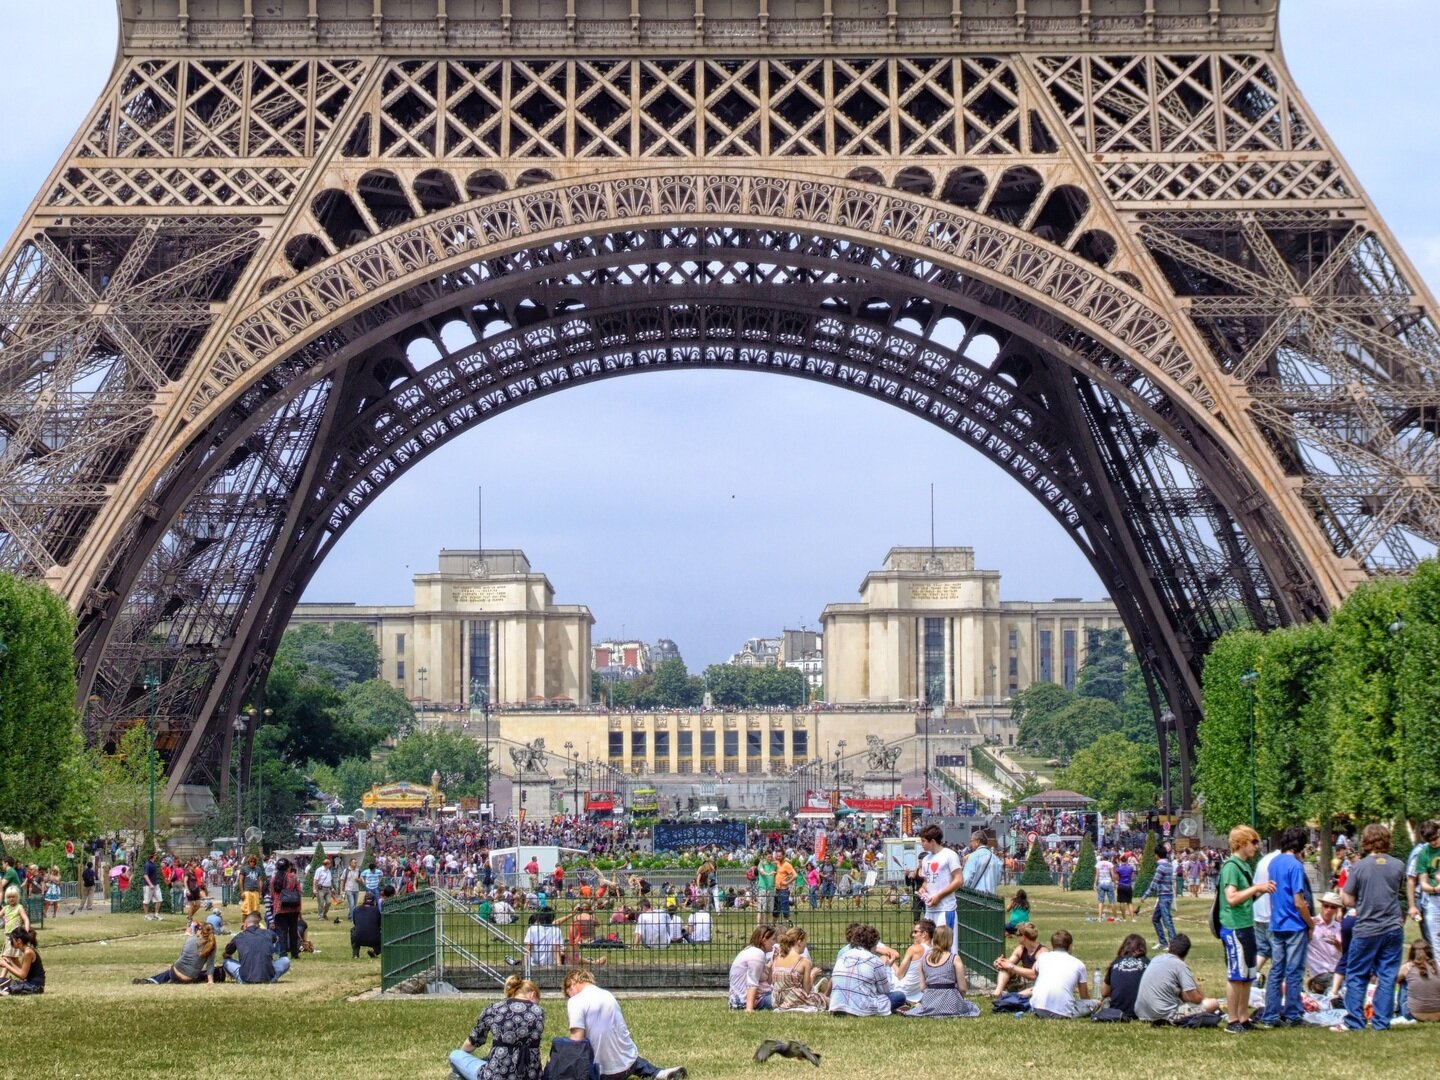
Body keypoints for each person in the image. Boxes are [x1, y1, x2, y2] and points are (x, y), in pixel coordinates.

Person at [1336, 822, 1406, 1032]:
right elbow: (1396, 891)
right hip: (1392, 926)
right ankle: (1381, 1022)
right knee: (1387, 975)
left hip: (1367, 927)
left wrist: (1361, 901)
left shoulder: (1359, 866)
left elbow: (1347, 899)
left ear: (1366, 842)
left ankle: (1355, 1021)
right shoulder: (1398, 865)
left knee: (1357, 974)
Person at [563, 968, 686, 1080]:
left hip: (601, 1073)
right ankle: (659, 1073)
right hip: (629, 1064)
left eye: (568, 992)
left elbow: (576, 1041)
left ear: (573, 981)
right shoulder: (607, 995)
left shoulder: (575, 1001)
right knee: (632, 1058)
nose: (569, 996)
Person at [1256, 826, 1315, 1028]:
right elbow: (1298, 900)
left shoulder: (1274, 863)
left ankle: (1270, 1015)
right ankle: (1293, 1013)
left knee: (1276, 970)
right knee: (1294, 970)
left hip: (1276, 922)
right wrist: (1310, 922)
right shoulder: (1295, 866)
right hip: (1294, 923)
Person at [1217, 824, 1273, 1034]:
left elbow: (1246, 896)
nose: (1256, 847)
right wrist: (1256, 888)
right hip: (1234, 926)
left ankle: (1243, 1016)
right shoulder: (1231, 866)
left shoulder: (1245, 866)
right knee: (1236, 974)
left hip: (1247, 924)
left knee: (1249, 974)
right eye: (1253, 842)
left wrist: (1262, 890)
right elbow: (1231, 897)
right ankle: (1232, 1020)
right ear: (1242, 843)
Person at [449, 975, 545, 1080]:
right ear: (533, 994)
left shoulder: (494, 1009)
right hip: (530, 1075)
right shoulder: (539, 1012)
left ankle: (459, 1075)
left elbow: (473, 1042)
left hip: (496, 1075)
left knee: (455, 1055)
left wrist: (462, 1054)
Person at [1134, 934, 1221, 1025]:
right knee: (1212, 1003)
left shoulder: (1156, 958)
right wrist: (1204, 998)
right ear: (1187, 952)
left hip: (1142, 1013)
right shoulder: (1180, 965)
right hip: (1165, 1016)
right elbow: (1195, 999)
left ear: (1169, 946)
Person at [829, 924, 906, 1016]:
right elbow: (885, 990)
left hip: (836, 1004)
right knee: (899, 996)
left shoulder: (843, 956)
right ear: (873, 944)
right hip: (860, 1008)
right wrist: (887, 967)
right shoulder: (874, 960)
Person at [904, 925, 979, 1018]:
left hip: (930, 1002)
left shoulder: (923, 960)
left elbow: (923, 988)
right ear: (949, 940)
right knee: (972, 1007)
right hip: (951, 1002)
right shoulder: (954, 958)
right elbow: (963, 988)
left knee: (918, 1007)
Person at [1029, 929, 1097, 1019]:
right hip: (1063, 1013)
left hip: (1037, 1009)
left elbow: (1036, 974)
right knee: (1096, 1002)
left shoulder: (1042, 957)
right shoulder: (1078, 964)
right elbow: (1084, 997)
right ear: (1070, 946)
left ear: (1052, 945)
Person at [917, 824, 963, 951]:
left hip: (945, 908)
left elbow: (958, 880)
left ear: (932, 841)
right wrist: (923, 888)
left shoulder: (949, 855)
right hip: (930, 909)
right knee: (928, 946)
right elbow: (927, 881)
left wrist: (939, 895)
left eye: (923, 841)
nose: (922, 844)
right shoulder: (926, 859)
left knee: (946, 946)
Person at [136, 921, 216, 985]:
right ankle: (154, 980)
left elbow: (182, 956)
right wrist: (210, 981)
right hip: (189, 979)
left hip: (174, 972)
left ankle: (152, 980)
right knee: (202, 974)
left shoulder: (190, 939)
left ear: (200, 931)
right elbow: (210, 965)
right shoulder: (211, 945)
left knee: (169, 972)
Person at [222, 912, 291, 983]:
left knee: (226, 962)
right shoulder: (268, 933)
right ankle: (271, 976)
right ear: (259, 925)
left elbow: (227, 952)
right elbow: (276, 939)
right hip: (269, 978)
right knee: (286, 960)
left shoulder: (239, 937)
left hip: (245, 979)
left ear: (245, 925)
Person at [772, 927, 826, 1012]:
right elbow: (807, 990)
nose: (806, 944)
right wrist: (812, 975)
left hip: (778, 1001)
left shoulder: (776, 959)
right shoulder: (804, 962)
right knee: (824, 999)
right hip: (795, 1000)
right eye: (805, 941)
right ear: (799, 941)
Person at [1408, 819, 1440, 959]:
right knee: (1434, 943)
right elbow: (1414, 881)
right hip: (1431, 900)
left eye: (1435, 838)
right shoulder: (1422, 853)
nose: (1433, 842)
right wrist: (1412, 905)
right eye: (1430, 839)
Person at [1137, 844, 1177, 950]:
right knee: (1155, 919)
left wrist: (1145, 895)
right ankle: (1162, 942)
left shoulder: (1161, 867)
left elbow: (1154, 883)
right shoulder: (1169, 865)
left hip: (1164, 896)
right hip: (1166, 895)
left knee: (1167, 920)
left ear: (1157, 855)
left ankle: (1172, 944)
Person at [1101, 933, 1149, 1020]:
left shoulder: (1116, 963)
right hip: (1142, 1011)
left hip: (1117, 1011)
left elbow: (1104, 992)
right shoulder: (1148, 963)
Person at [728, 925, 776, 1011]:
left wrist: (773, 962)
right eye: (773, 939)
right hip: (744, 1002)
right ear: (764, 940)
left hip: (739, 1001)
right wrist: (749, 1008)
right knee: (785, 999)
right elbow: (752, 982)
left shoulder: (751, 950)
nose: (774, 943)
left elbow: (766, 980)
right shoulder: (757, 954)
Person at [992, 921, 1045, 998]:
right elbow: (1009, 963)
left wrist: (1010, 966)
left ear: (1024, 936)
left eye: (1017, 935)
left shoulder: (1041, 953)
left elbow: (1033, 975)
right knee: (1005, 968)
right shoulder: (1021, 949)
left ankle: (1012, 995)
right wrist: (1000, 963)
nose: (1016, 937)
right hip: (1025, 981)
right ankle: (997, 992)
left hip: (1038, 983)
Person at [891, 918, 935, 1006]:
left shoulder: (914, 949)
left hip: (902, 989)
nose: (913, 935)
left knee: (884, 958)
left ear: (924, 934)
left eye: (915, 932)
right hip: (919, 992)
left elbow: (899, 975)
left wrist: (892, 964)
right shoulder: (935, 951)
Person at [1398, 940, 1440, 1023]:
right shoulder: (1437, 967)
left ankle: (1399, 1013)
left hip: (1413, 1014)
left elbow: (1393, 981)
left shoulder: (1407, 967)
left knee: (1403, 982)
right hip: (1438, 1016)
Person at [270, 857, 303, 960]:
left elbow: (271, 894)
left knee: (281, 933)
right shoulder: (293, 877)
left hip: (280, 909)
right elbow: (299, 891)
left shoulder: (273, 879)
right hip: (293, 908)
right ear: (288, 867)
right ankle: (294, 953)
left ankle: (283, 954)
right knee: (293, 932)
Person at [0, 928, 45, 995]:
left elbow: (22, 976)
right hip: (28, 984)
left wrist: (6, 965)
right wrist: (9, 963)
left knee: (6, 989)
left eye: (11, 940)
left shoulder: (28, 952)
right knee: (1, 980)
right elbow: (23, 972)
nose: (11, 942)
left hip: (35, 987)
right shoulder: (27, 951)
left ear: (19, 941)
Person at [960, 831, 1001, 896]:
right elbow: (998, 880)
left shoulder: (973, 856)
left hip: (976, 898)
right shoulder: (996, 859)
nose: (970, 844)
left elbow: (966, 879)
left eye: (971, 841)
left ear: (978, 841)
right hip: (992, 897)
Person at [351, 891, 382, 958]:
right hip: (374, 939)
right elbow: (380, 924)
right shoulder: (377, 910)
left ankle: (355, 954)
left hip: (358, 938)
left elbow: (355, 923)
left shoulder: (356, 909)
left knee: (353, 930)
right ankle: (375, 951)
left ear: (364, 900)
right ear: (374, 901)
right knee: (383, 934)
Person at [774, 851, 797, 924]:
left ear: (784, 856)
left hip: (783, 890)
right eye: (777, 856)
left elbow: (795, 875)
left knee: (785, 908)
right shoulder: (777, 863)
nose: (778, 857)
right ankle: (774, 924)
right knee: (776, 908)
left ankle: (787, 924)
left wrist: (787, 882)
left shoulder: (787, 865)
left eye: (780, 856)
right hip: (777, 889)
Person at [239, 854, 264, 922]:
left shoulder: (258, 869)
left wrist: (260, 892)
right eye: (251, 861)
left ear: (255, 862)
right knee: (246, 909)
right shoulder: (244, 869)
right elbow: (241, 880)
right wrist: (242, 892)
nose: (252, 862)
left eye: (254, 861)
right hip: (247, 891)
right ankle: (244, 924)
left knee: (255, 910)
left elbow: (260, 880)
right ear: (248, 862)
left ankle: (255, 924)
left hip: (255, 892)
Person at [142, 851, 164, 920]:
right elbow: (145, 875)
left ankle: (156, 914)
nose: (157, 856)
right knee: (146, 901)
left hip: (156, 885)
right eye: (156, 855)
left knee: (159, 899)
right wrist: (150, 884)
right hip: (148, 886)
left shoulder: (154, 864)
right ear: (153, 856)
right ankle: (146, 916)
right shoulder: (147, 864)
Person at [1116, 853, 1137, 921]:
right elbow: (1131, 876)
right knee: (1129, 902)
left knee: (1122, 902)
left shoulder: (1118, 868)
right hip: (1128, 885)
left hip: (1121, 885)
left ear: (1121, 861)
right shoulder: (1130, 868)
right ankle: (1133, 918)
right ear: (1127, 860)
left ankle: (1124, 918)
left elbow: (1117, 878)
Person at [1096, 851, 1116, 920]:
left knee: (1101, 901)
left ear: (1102, 856)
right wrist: (1115, 883)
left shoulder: (1098, 863)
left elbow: (1097, 875)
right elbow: (1113, 875)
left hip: (1101, 882)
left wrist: (1095, 883)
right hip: (1108, 882)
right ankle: (1115, 917)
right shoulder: (1110, 864)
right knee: (1112, 901)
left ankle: (1099, 917)